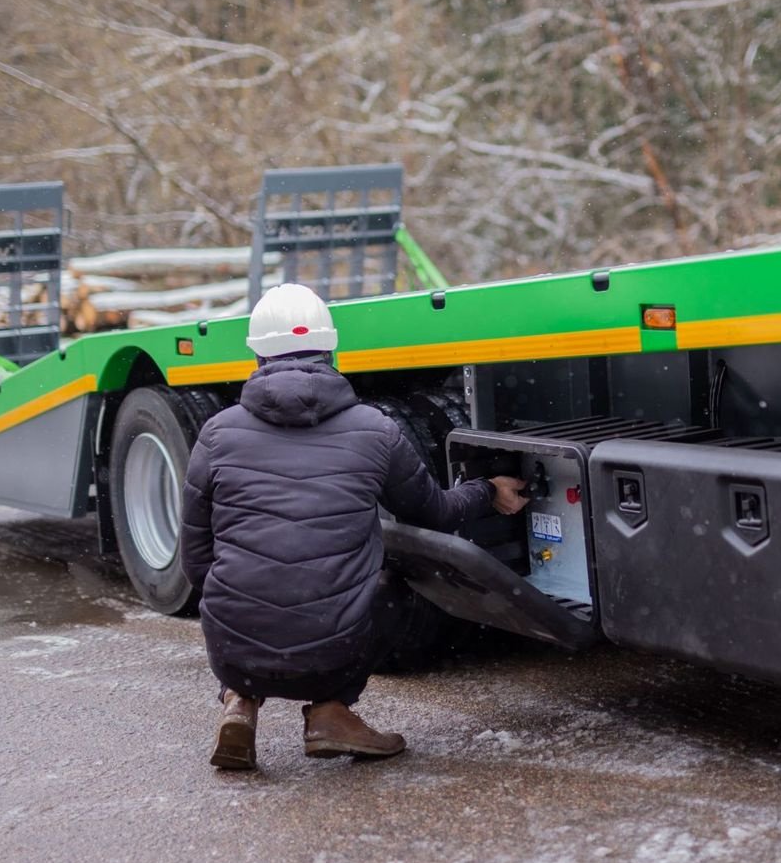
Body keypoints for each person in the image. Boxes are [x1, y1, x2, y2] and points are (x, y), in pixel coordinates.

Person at [178, 283, 528, 770]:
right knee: (397, 579)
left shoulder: (217, 432)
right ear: (330, 349)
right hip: (332, 651)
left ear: (256, 354)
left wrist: (235, 612)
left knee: (238, 578)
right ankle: (331, 710)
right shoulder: (374, 428)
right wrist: (489, 490)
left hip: (233, 649)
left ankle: (239, 700)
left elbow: (195, 556)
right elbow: (435, 514)